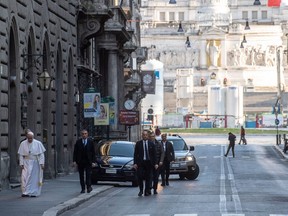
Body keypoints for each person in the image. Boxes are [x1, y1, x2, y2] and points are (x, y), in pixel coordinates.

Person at [18, 131, 46, 197]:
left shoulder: (38, 143)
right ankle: (25, 192)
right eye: (29, 138)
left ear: (33, 137)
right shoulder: (23, 143)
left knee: (34, 178)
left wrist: (42, 163)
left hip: (35, 163)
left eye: (31, 138)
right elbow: (21, 155)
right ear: (27, 137)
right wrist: (21, 163)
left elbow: (41, 155)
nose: (30, 140)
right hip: (26, 162)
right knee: (24, 177)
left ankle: (33, 192)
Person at [133, 130, 158, 196]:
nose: (145, 136)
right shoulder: (138, 143)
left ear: (148, 136)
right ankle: (141, 190)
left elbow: (154, 154)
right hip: (141, 163)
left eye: (146, 135)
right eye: (143, 135)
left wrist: (155, 163)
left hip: (149, 163)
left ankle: (146, 190)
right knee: (140, 176)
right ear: (142, 136)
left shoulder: (151, 144)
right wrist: (135, 163)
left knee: (148, 177)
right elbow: (135, 154)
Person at [73, 129, 96, 193]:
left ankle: (89, 187)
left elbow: (93, 153)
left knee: (88, 175)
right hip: (80, 161)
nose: (84, 135)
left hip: (88, 161)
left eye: (85, 133)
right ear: (81, 135)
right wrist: (74, 161)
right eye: (83, 134)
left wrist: (93, 162)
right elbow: (75, 152)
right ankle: (83, 188)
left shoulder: (90, 142)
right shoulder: (78, 142)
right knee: (81, 176)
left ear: (87, 134)